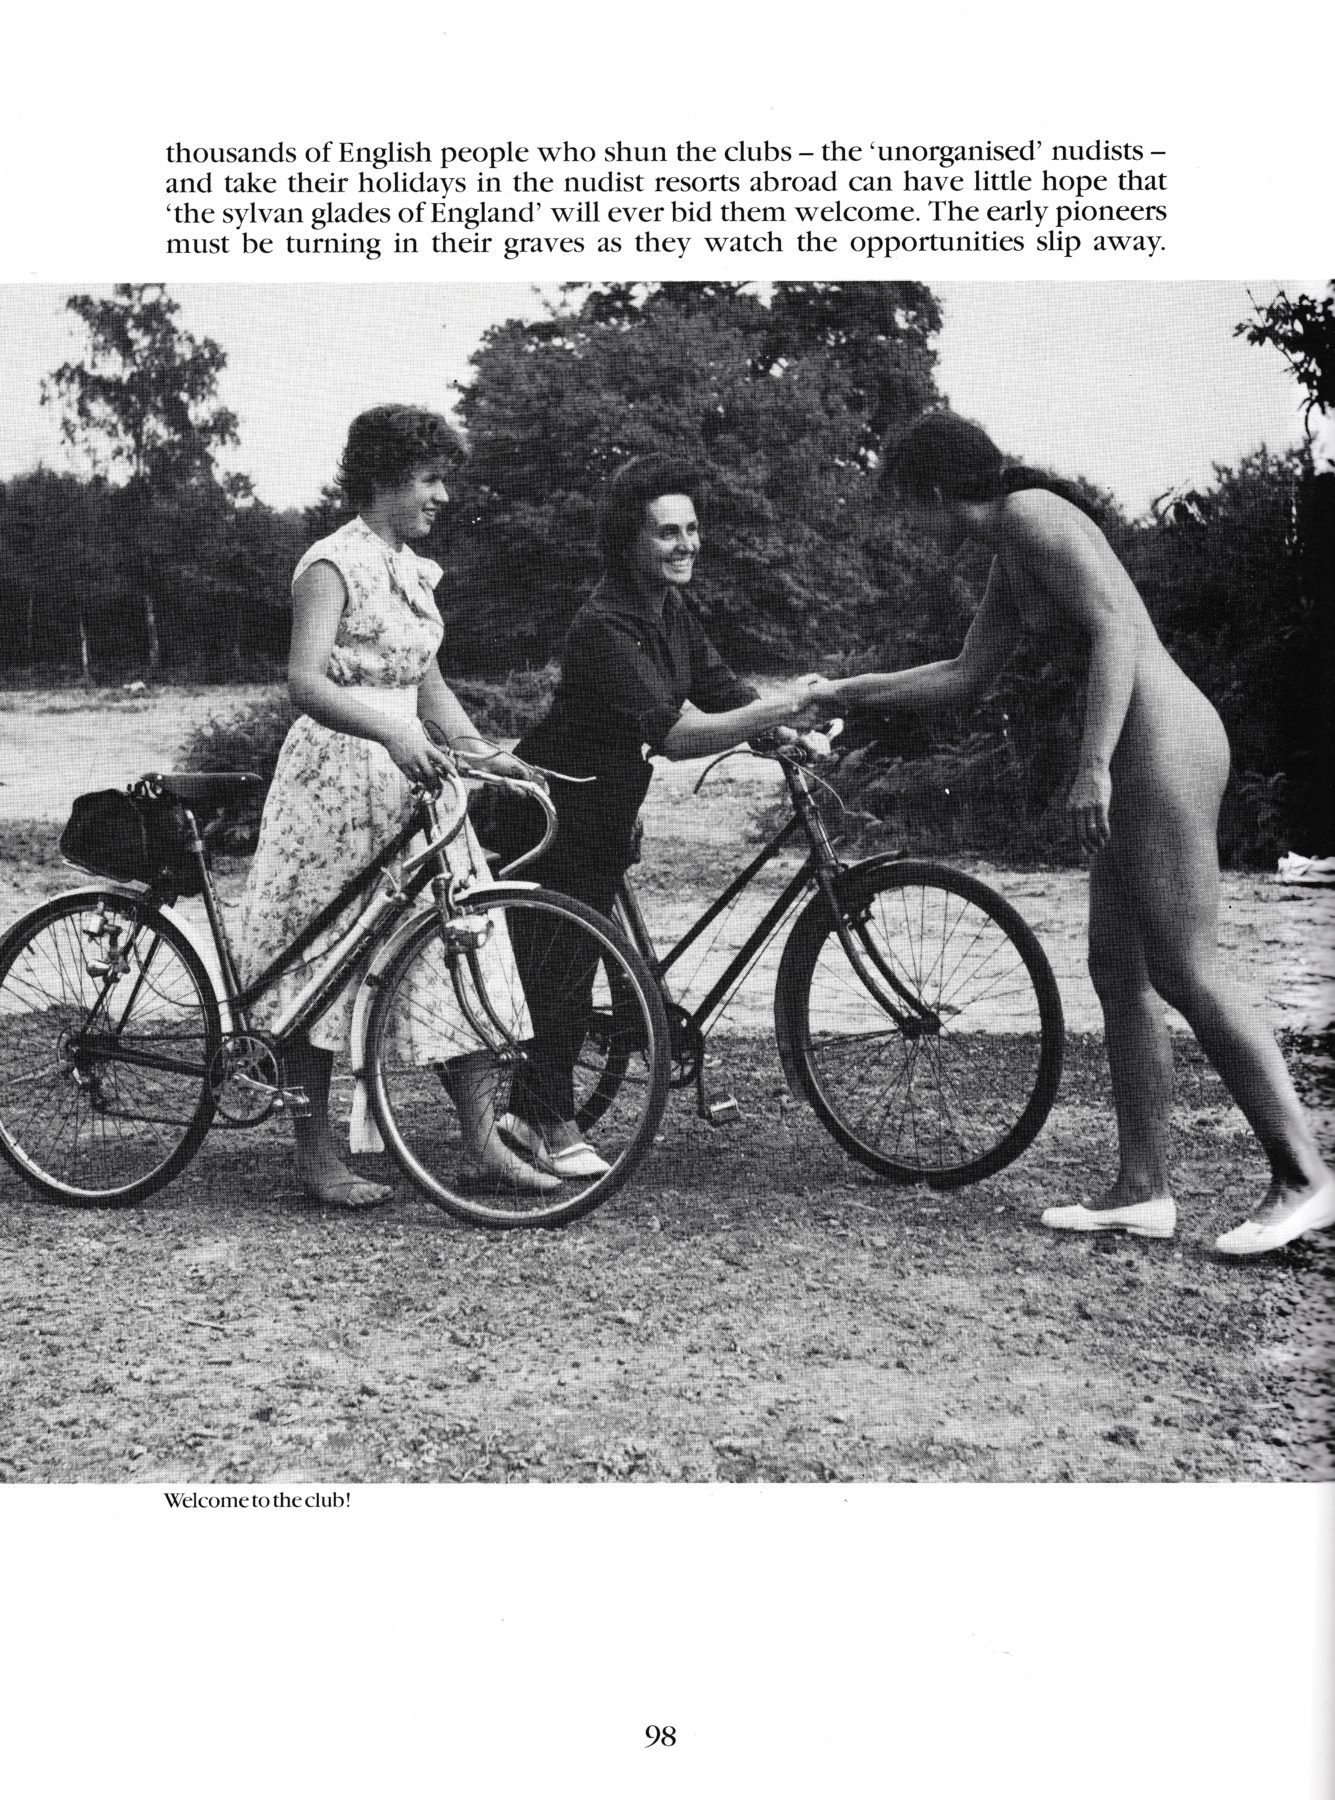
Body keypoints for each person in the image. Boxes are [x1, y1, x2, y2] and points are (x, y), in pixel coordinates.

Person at [810, 411, 1334, 1258]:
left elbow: (1115, 631)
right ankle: (1141, 1190)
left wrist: (1092, 767)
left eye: (903, 507)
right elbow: (964, 675)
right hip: (1136, 744)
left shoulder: (1031, 514)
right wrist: (846, 691)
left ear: (934, 490)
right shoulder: (1007, 551)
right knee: (1117, 969)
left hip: (1157, 742)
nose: (903, 527)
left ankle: (1303, 1175)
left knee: (1185, 966)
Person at [236, 404, 556, 1208]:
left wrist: (486, 754)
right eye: (429, 479)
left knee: (462, 940)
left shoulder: (411, 570)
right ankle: (316, 1156)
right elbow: (306, 680)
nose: (443, 496)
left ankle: (482, 1143)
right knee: (323, 958)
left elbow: (427, 686)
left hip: (416, 782)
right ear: (383, 478)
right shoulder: (331, 563)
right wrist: (386, 731)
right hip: (337, 783)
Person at [491, 453, 821, 1177]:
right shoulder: (603, 626)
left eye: (692, 529)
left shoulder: (666, 608)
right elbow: (674, 733)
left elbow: (719, 687)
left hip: (606, 801)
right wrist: (781, 705)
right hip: (554, 806)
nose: (686, 544)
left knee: (576, 963)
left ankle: (532, 1114)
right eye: (668, 532)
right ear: (628, 541)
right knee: (563, 970)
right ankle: (542, 1122)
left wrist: (782, 731)